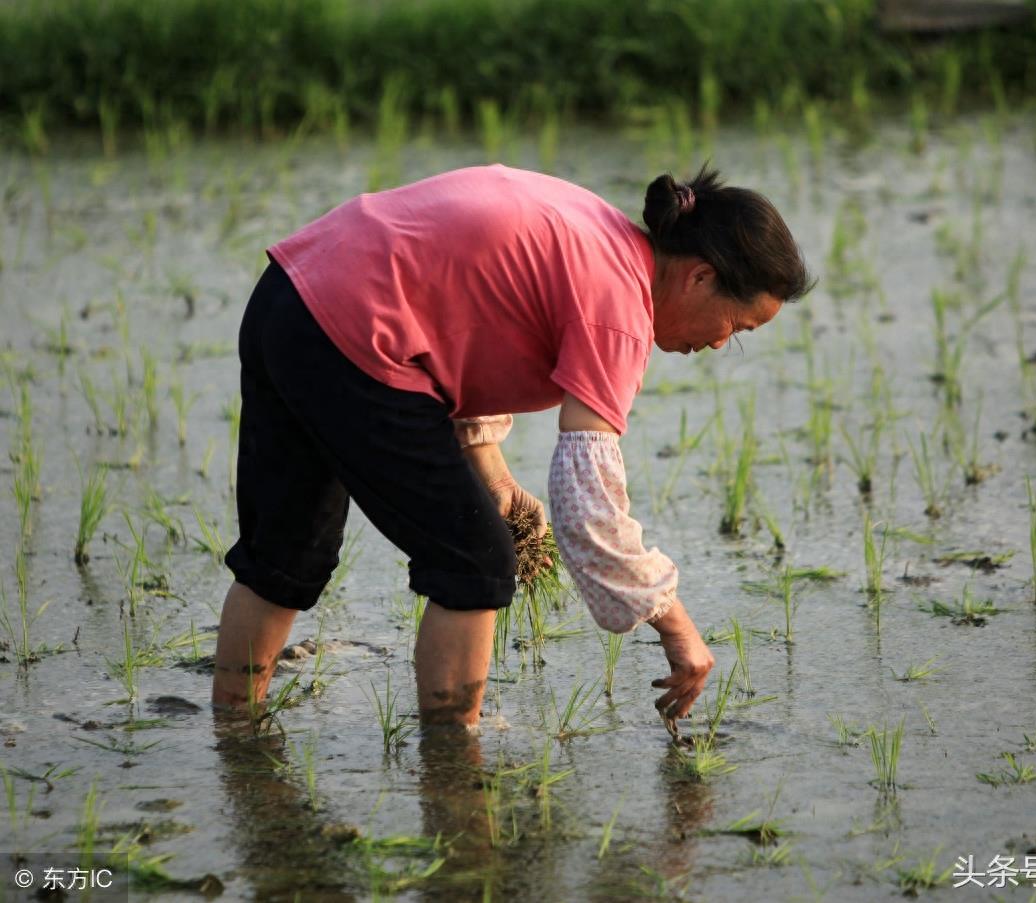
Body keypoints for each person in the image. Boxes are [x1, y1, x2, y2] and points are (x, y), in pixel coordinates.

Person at [211, 163, 812, 727]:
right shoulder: (618, 306)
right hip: (352, 329)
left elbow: (465, 313)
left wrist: (493, 476)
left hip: (290, 296)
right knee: (474, 563)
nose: (719, 344)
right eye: (736, 327)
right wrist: (675, 625)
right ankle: (454, 767)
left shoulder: (600, 234)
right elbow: (588, 508)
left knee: (285, 555)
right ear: (700, 276)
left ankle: (233, 735)